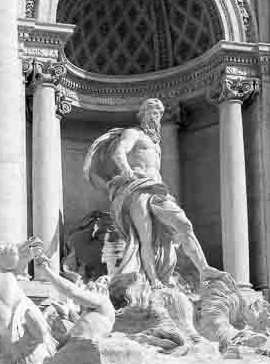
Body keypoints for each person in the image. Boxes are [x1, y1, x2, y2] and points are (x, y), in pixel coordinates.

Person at [84, 98, 219, 287]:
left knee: (184, 225)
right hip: (137, 188)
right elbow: (119, 152)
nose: (156, 117)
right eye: (153, 112)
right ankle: (153, 279)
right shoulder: (133, 133)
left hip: (157, 190)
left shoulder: (156, 143)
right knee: (145, 237)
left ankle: (204, 269)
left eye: (159, 113)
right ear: (143, 114)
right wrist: (126, 170)